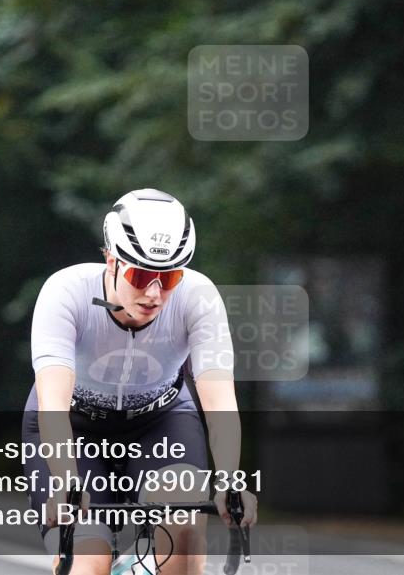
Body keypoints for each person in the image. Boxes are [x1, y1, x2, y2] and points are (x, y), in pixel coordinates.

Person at [22, 188, 257, 575]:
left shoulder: (199, 298)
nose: (154, 293)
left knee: (182, 549)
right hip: (75, 426)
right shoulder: (65, 292)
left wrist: (230, 480)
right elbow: (53, 405)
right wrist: (66, 478)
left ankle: (142, 564)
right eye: (141, 275)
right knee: (89, 562)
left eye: (169, 278)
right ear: (110, 259)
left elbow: (220, 404)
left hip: (160, 421)